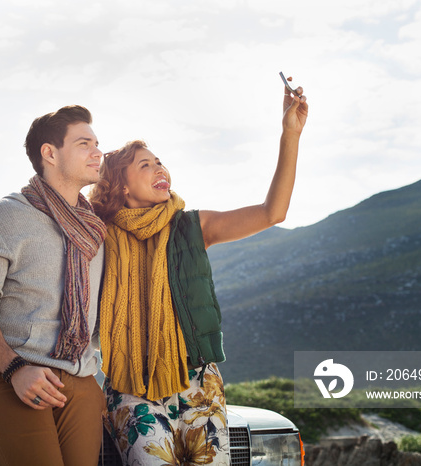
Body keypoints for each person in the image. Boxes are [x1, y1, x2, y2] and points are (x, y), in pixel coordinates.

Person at [89, 81, 308, 465]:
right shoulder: (96, 237)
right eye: (146, 164)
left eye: (160, 161)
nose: (160, 168)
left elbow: (273, 211)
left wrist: (290, 134)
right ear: (120, 186)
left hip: (198, 382)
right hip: (130, 384)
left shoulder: (192, 227)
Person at [0, 105, 107, 466]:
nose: (98, 152)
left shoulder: (97, 231)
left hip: (80, 382)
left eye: (97, 143)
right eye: (84, 143)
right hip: (7, 376)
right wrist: (15, 368)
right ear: (49, 153)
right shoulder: (1, 217)